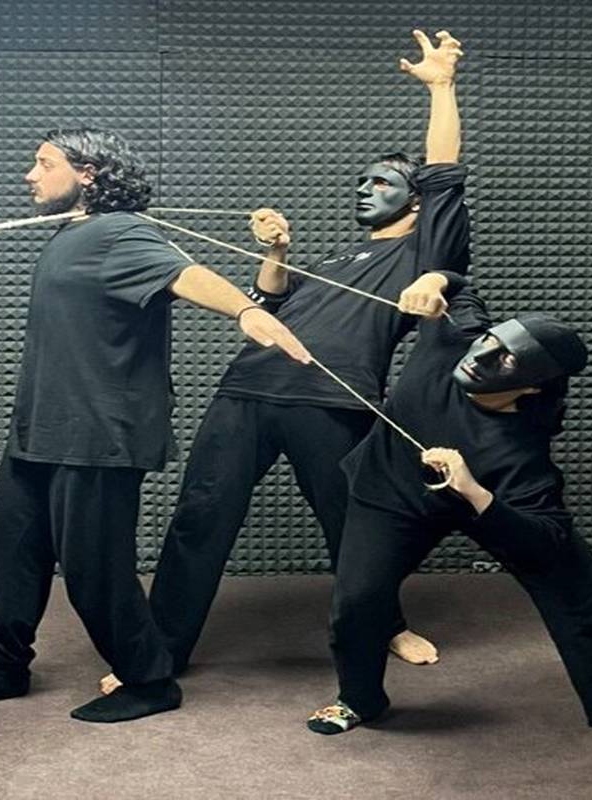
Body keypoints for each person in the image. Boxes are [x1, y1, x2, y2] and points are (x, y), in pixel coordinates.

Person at [0, 126, 312, 723]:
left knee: (94, 567)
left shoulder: (120, 232)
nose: (30, 175)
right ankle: (3, 666)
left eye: (44, 163)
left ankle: (150, 682)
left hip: (97, 434)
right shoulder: (72, 233)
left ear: (89, 174)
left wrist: (243, 311)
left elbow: (185, 274)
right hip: (40, 429)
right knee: (7, 547)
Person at [128, 29, 469, 691]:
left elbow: (445, 170)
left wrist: (442, 88)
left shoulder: (427, 253)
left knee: (354, 526)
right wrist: (277, 251)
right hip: (247, 390)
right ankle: (160, 653)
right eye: (361, 180)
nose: (365, 189)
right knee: (200, 518)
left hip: (332, 401)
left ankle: (385, 623)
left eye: (382, 181)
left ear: (417, 200)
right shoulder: (339, 259)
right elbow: (268, 304)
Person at [306, 270, 592, 790]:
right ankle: (359, 699)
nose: (481, 356)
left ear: (532, 385)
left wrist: (475, 492)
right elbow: (458, 288)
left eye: (506, 359)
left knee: (587, 602)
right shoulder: (453, 337)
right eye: (490, 341)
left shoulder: (521, 454)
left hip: (488, 502)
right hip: (390, 492)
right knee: (358, 600)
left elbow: (541, 539)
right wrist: (434, 279)